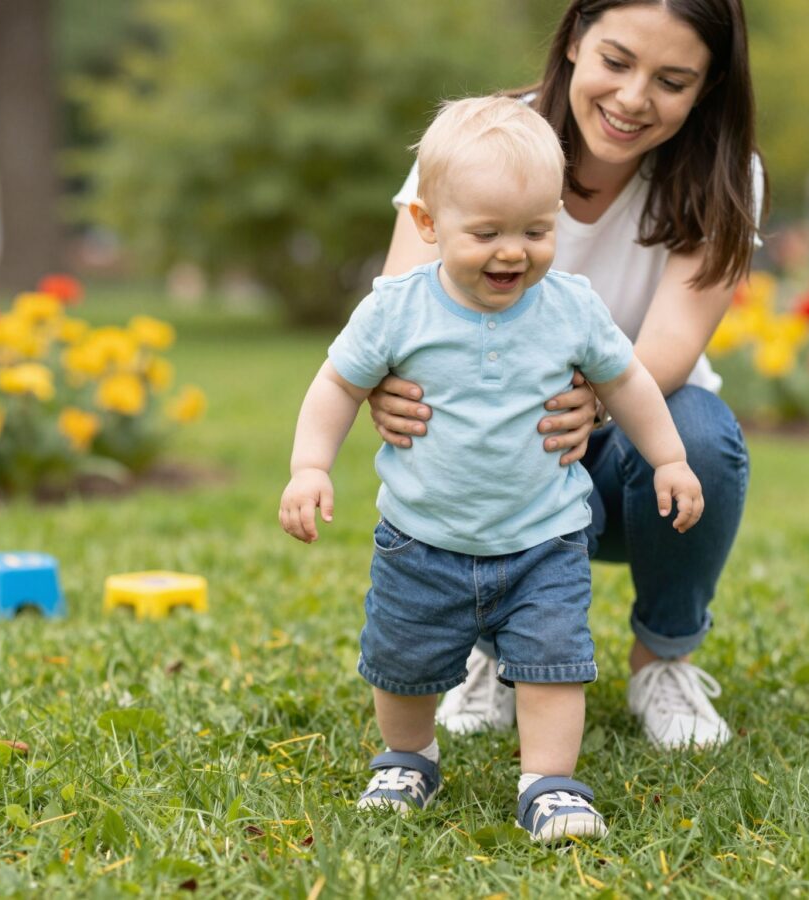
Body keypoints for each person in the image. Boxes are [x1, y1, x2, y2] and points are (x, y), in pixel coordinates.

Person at [279, 96, 704, 842]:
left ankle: (550, 783)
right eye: (487, 233)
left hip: (545, 539)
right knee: (402, 664)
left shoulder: (570, 307)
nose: (513, 252)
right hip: (421, 540)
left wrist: (668, 456)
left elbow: (630, 382)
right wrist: (311, 466)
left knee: (553, 666)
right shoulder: (396, 309)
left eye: (536, 231)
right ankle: (408, 758)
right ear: (428, 224)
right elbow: (337, 385)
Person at [371, 0, 765, 750]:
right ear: (577, 37)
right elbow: (399, 305)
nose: (633, 98)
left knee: (698, 434)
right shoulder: (476, 144)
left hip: (626, 452)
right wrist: (386, 389)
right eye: (617, 61)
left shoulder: (724, 173)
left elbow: (673, 342)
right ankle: (494, 648)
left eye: (672, 81)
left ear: (708, 86)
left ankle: (663, 662)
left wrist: (593, 403)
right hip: (495, 447)